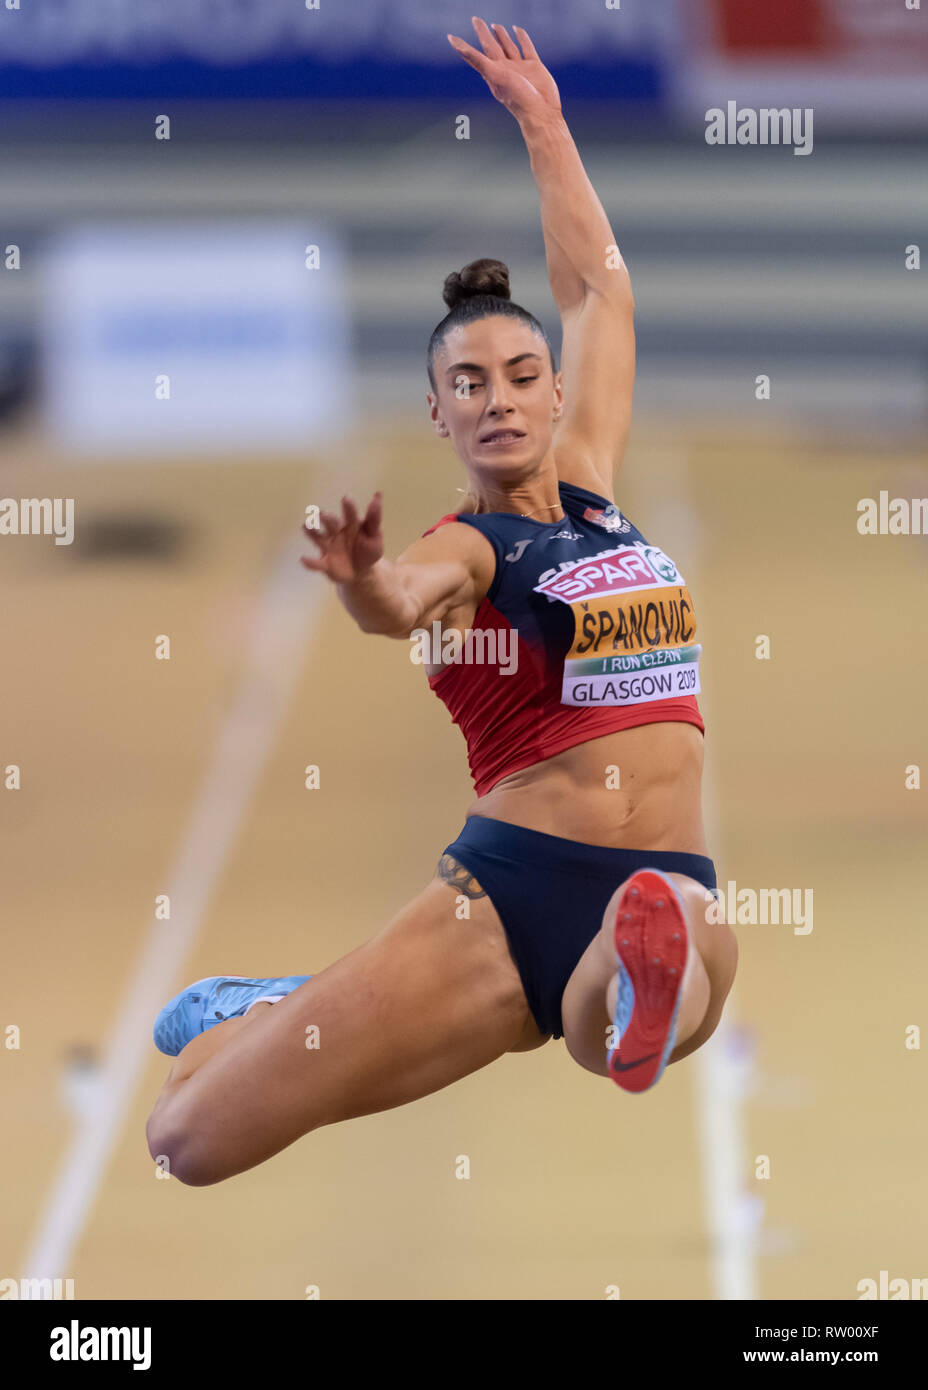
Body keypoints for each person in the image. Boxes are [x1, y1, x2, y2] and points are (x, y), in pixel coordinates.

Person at [146, 18, 737, 1187]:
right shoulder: (467, 547)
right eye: (468, 384)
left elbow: (600, 292)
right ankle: (294, 1001)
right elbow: (396, 604)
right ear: (440, 415)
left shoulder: (593, 489)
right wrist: (362, 576)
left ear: (553, 391)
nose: (500, 400)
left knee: (637, 1005)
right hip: (504, 901)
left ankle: (635, 973)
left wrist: (545, 124)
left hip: (675, 878)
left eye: (521, 376)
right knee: (185, 1141)